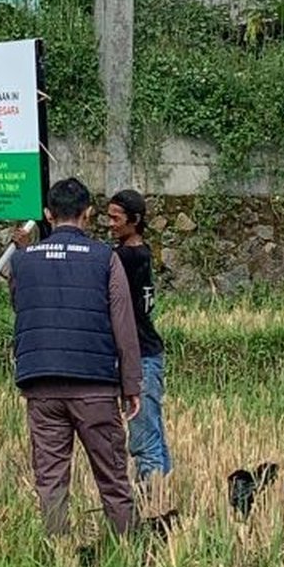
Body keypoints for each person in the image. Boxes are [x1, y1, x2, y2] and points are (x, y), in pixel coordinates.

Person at [9, 177, 143, 536]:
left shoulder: (22, 261)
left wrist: (25, 250)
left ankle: (57, 553)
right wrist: (131, 383)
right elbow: (124, 323)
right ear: (88, 213)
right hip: (94, 384)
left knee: (50, 480)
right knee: (112, 477)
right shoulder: (105, 258)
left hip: (40, 384)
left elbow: (21, 306)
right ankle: (126, 548)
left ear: (47, 214)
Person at [106, 189, 172, 485]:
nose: (110, 224)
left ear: (134, 221)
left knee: (145, 440)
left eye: (116, 219)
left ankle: (152, 499)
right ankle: (162, 492)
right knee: (153, 432)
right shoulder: (142, 252)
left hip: (140, 356)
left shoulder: (123, 258)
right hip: (149, 352)